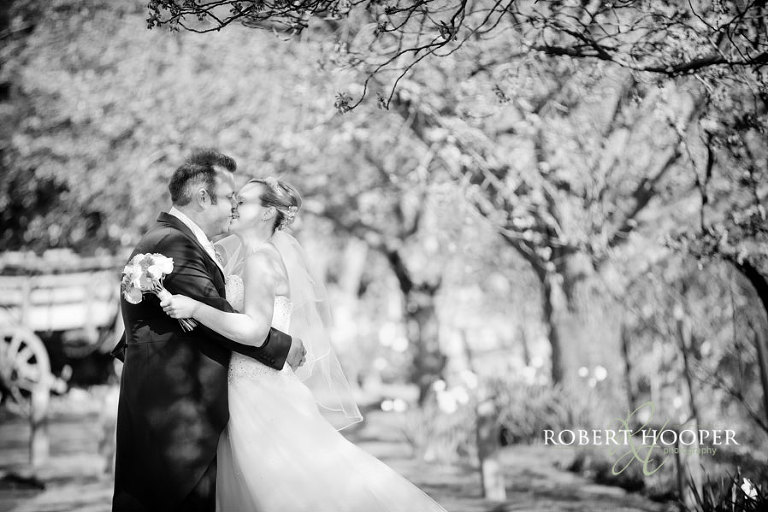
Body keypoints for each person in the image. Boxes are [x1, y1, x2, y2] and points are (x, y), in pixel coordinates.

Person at [160, 177, 449, 512]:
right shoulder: (249, 258)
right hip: (248, 388)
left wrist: (194, 308)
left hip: (258, 395)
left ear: (268, 213)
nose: (235, 206)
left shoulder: (261, 260)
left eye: (245, 201)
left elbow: (254, 331)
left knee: (288, 491)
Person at [111, 151, 306, 512]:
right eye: (230, 197)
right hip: (175, 414)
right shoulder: (173, 244)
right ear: (203, 197)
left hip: (196, 406)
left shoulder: (182, 241)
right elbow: (215, 314)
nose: (233, 205)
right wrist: (284, 345)